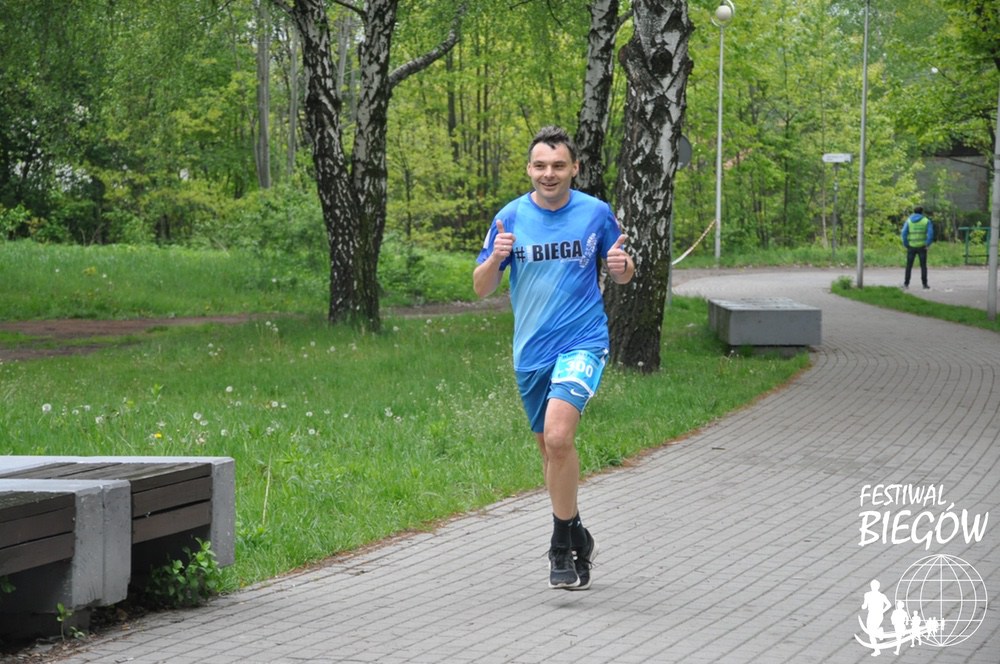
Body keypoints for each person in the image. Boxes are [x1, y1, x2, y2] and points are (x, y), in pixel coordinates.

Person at [473, 125, 634, 590]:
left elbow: (622, 269)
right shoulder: (510, 217)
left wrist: (623, 268)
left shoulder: (595, 212)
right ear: (529, 169)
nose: (549, 174)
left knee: (560, 438)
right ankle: (579, 533)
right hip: (531, 352)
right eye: (541, 166)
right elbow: (481, 287)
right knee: (550, 451)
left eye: (559, 165)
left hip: (583, 341)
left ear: (574, 168)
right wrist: (494, 259)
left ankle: (560, 546)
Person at [901, 206, 934, 290]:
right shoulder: (926, 221)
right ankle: (925, 284)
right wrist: (927, 244)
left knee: (909, 266)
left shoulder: (909, 221)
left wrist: (906, 244)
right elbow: (931, 234)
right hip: (922, 246)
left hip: (911, 246)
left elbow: (904, 233)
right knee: (923, 266)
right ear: (922, 212)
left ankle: (906, 284)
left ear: (914, 212)